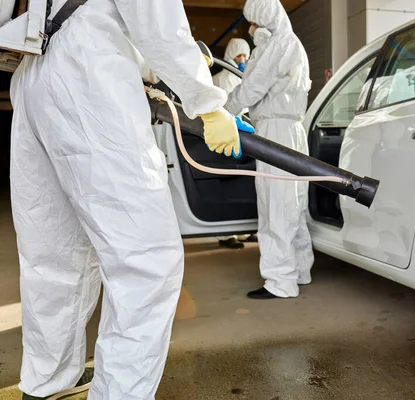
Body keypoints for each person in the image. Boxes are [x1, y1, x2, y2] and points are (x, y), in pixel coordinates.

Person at [10, 0, 240, 399]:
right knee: (145, 260)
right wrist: (207, 103)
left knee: (53, 253)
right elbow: (157, 21)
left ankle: (47, 379)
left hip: (34, 73)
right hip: (90, 71)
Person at [225, 0, 314, 300]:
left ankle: (279, 282)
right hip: (292, 131)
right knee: (293, 205)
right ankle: (300, 271)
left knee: (276, 206)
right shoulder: (292, 43)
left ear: (262, 18)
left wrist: (222, 112)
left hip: (274, 132)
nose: (250, 29)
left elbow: (251, 89)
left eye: (251, 21)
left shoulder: (277, 44)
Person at [212, 38, 255, 249]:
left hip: (244, 133)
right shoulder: (219, 79)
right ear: (231, 54)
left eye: (246, 56)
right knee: (227, 181)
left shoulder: (244, 78)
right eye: (239, 56)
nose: (243, 60)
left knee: (243, 181)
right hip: (226, 134)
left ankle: (244, 231)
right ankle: (227, 233)